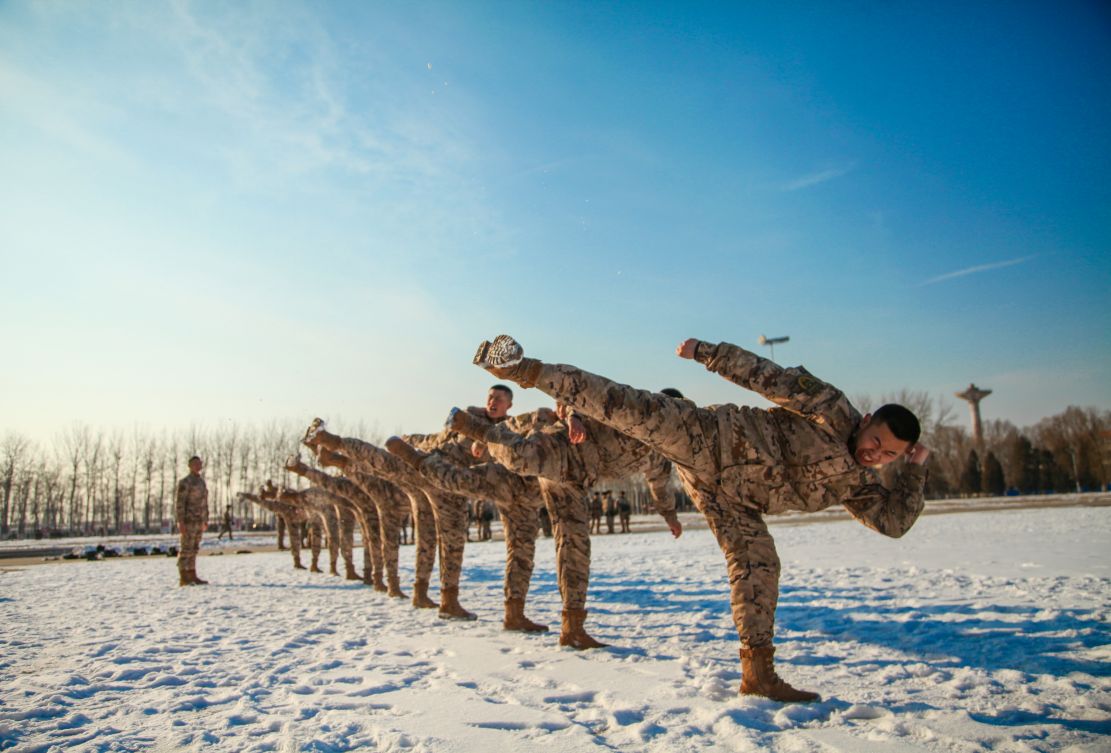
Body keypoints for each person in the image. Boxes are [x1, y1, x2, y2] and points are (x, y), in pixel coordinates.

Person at [473, 334, 930, 702]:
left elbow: (892, 523)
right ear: (867, 419)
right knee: (626, 404)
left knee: (758, 563)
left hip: (732, 499)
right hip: (706, 437)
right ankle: (522, 369)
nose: (874, 455)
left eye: (888, 455)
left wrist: (914, 473)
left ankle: (758, 673)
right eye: (875, 440)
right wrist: (707, 354)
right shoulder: (832, 407)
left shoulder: (860, 482)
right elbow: (767, 376)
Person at [175, 456, 209, 586]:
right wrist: (181, 521)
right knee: (186, 548)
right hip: (188, 520)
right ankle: (183, 576)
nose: (198, 466)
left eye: (199, 463)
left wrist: (205, 519)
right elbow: (180, 503)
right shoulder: (185, 482)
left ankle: (192, 574)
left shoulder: (201, 482)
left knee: (194, 548)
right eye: (195, 464)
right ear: (190, 465)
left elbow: (204, 503)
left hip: (198, 520)